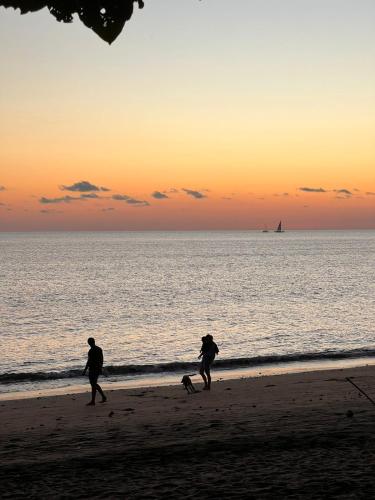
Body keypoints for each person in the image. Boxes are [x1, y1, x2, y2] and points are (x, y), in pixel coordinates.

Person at [82, 337, 107, 406]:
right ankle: (97, 399)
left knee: (93, 384)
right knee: (94, 384)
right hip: (97, 368)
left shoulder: (91, 351)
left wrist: (85, 370)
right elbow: (102, 359)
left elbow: (89, 361)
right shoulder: (99, 349)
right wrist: (100, 368)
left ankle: (99, 398)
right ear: (94, 341)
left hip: (93, 369)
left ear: (89, 343)